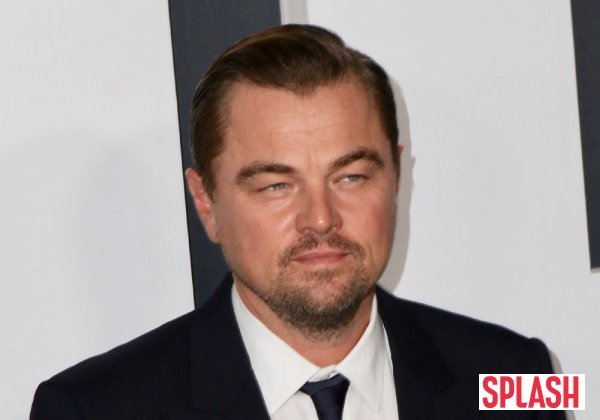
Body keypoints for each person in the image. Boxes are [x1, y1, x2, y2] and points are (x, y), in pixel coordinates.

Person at [30, 24, 565, 419]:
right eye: (276, 186)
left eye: (350, 177)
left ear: (396, 177)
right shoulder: (89, 410)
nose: (321, 218)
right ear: (206, 203)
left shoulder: (522, 374)